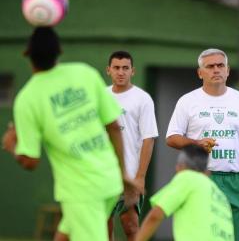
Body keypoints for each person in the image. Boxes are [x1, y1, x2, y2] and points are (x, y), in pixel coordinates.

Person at [1, 27, 138, 241]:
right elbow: (113, 126)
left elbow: (30, 161)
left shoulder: (27, 99)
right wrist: (123, 173)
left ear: (27, 55)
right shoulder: (84, 73)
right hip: (110, 179)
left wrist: (12, 147)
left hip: (81, 192)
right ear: (60, 51)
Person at [166, 48, 239, 241]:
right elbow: (172, 137)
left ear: (227, 70)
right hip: (202, 178)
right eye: (210, 66)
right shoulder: (187, 101)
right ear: (200, 72)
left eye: (220, 65)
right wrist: (196, 143)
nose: (216, 70)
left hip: (235, 180)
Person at [106, 50, 158, 240]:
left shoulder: (142, 99)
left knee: (131, 226)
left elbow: (148, 139)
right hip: (104, 175)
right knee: (104, 228)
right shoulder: (102, 96)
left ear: (132, 71)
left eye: (125, 68)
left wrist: (140, 177)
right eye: (117, 68)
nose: (121, 72)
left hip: (130, 175)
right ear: (108, 70)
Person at [135, 144, 234, 241]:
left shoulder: (187, 177)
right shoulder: (221, 196)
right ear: (207, 172)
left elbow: (155, 216)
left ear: (180, 167)